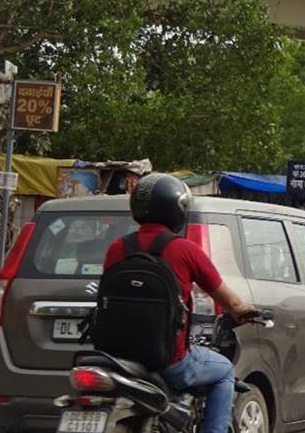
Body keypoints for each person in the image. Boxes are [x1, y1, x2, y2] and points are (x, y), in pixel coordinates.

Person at [102, 173, 255, 433]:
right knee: (224, 371)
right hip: (168, 360)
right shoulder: (185, 250)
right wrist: (246, 311)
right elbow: (230, 301)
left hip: (116, 357)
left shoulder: (117, 248)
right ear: (178, 210)